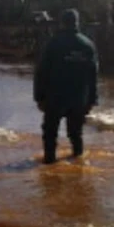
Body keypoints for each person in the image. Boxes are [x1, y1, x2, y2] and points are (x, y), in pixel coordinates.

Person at [33, 8, 99, 164]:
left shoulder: (53, 43)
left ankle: (49, 165)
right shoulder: (88, 45)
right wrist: (92, 100)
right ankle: (79, 164)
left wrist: (38, 97)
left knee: (50, 134)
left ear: (62, 23)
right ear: (77, 22)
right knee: (76, 134)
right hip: (79, 98)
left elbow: (41, 72)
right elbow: (93, 75)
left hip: (55, 98)